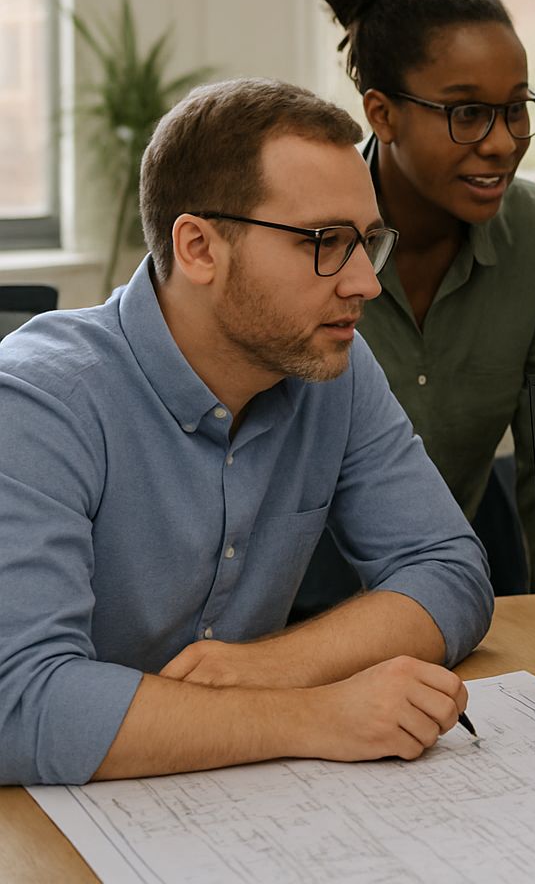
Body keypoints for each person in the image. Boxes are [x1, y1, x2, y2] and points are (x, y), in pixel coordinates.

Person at [0, 78, 494, 785]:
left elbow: (449, 570)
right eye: (325, 242)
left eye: (368, 242)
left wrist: (268, 667)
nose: (365, 283)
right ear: (199, 248)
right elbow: (18, 702)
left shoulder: (332, 367)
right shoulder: (35, 402)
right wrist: (318, 715)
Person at [300, 0, 535, 606]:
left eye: (517, 108)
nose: (502, 142)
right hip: (280, 620)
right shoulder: (302, 234)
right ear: (383, 113)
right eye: (466, 112)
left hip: (441, 609)